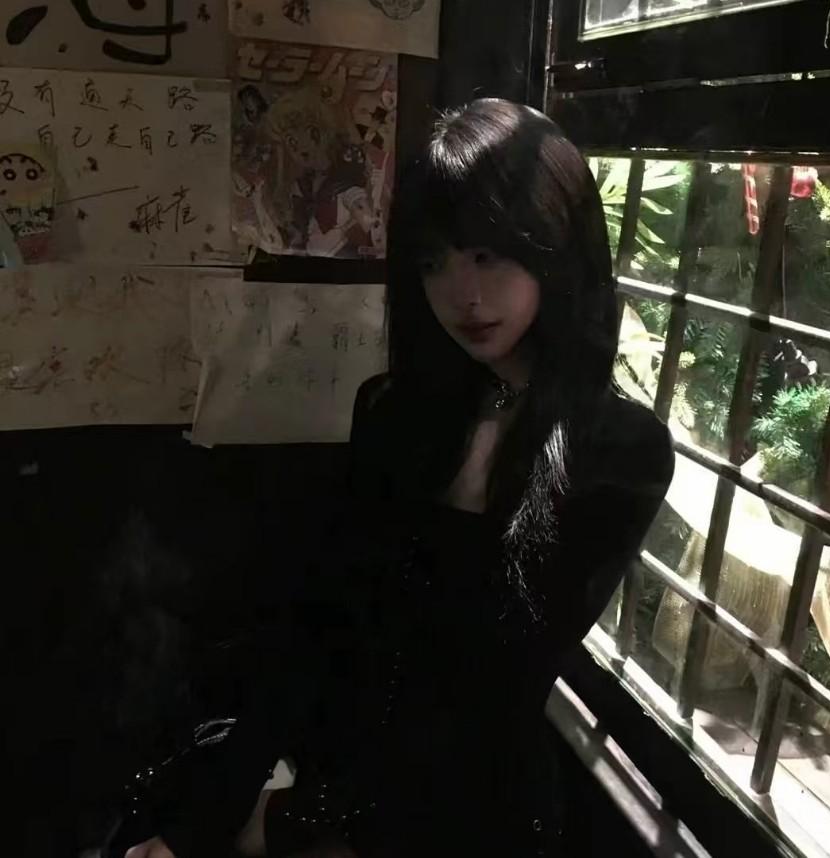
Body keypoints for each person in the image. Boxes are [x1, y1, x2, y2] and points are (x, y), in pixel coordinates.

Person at [124, 98, 674, 858]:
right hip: (339, 786)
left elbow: (490, 685)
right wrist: (215, 813)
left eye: (486, 254)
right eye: (433, 262)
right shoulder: (393, 410)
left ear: (555, 246)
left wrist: (296, 820)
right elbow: (318, 621)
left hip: (475, 816)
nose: (462, 294)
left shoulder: (621, 449)